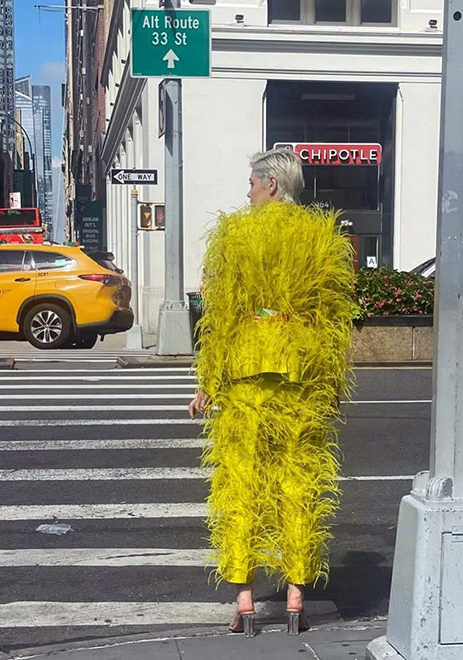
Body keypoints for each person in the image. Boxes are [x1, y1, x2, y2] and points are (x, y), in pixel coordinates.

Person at [188, 148, 355, 638]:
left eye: (253, 183)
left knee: (240, 485)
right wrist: (331, 384)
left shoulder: (235, 234)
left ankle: (244, 604)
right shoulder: (320, 236)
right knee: (298, 485)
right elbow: (333, 319)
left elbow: (221, 316)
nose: (248, 191)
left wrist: (208, 382)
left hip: (245, 372)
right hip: (300, 374)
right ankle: (296, 602)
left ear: (272, 185)